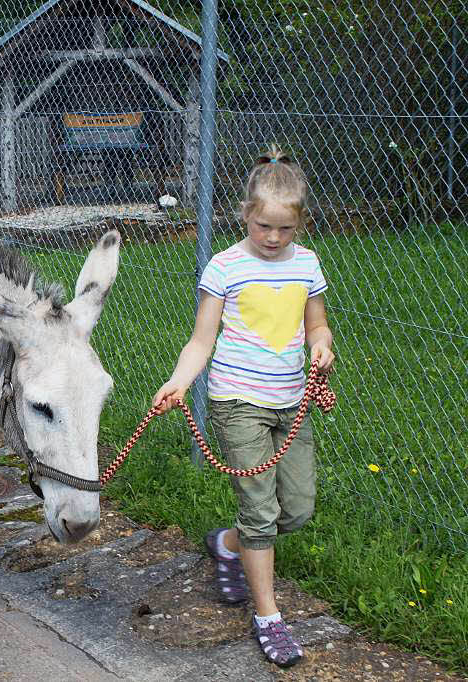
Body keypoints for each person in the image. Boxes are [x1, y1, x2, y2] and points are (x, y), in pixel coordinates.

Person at [152, 147, 334, 668]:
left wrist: (321, 347)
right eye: (262, 227)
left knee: (295, 510)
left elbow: (316, 323)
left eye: (284, 229)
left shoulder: (307, 264)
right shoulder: (225, 267)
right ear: (245, 214)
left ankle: (228, 544)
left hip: (291, 400)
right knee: (260, 510)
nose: (273, 238)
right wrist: (179, 383)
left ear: (300, 223)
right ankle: (268, 615)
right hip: (237, 403)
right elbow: (200, 341)